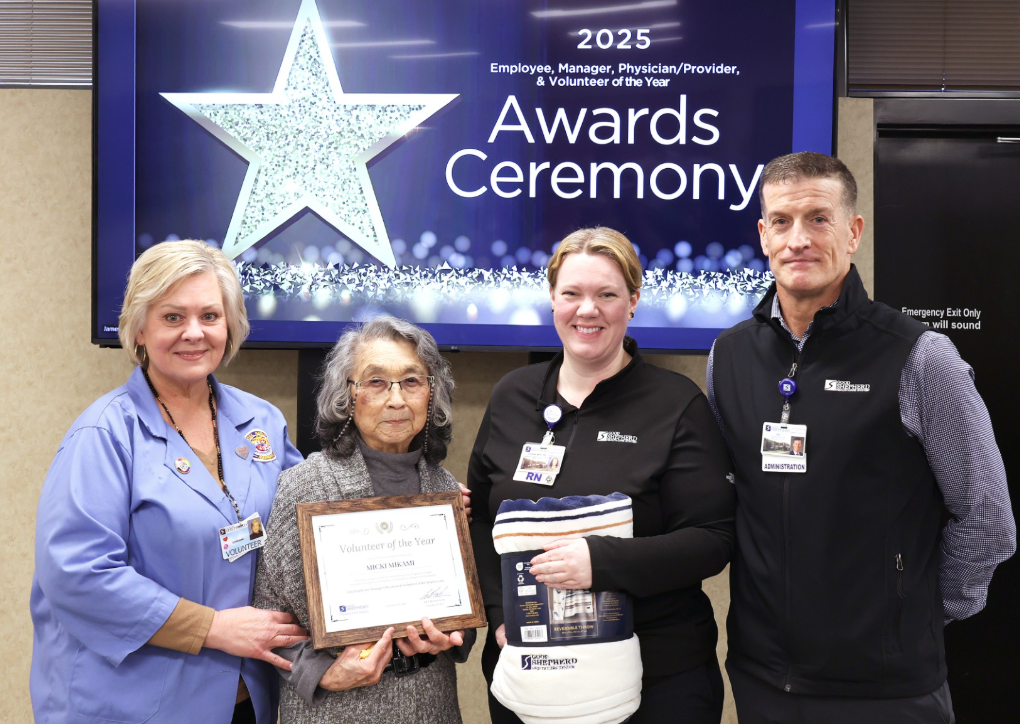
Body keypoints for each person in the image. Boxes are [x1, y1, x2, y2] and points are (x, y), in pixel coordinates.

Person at [708, 152, 1016, 723]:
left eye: (818, 219)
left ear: (852, 232)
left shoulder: (919, 357)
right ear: (763, 235)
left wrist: (912, 616)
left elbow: (987, 520)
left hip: (886, 688)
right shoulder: (728, 357)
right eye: (782, 221)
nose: (798, 239)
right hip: (763, 677)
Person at [31, 240, 306, 724]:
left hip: (244, 699)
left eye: (210, 316)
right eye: (173, 317)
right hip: (130, 706)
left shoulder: (262, 422)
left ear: (230, 324)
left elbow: (310, 530)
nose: (194, 333)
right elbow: (77, 574)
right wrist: (211, 627)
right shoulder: (104, 434)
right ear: (139, 328)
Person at [469, 227, 736, 724]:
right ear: (553, 298)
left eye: (607, 295)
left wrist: (601, 561)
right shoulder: (512, 395)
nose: (587, 310)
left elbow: (712, 540)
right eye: (572, 293)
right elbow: (482, 520)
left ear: (632, 301)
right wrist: (502, 614)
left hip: (657, 681)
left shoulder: (676, 404)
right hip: (529, 676)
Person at [252, 316, 475, 724]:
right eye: (376, 382)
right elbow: (269, 616)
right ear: (346, 396)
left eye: (411, 381)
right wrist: (322, 673)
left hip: (434, 704)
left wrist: (452, 635)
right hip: (337, 709)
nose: (396, 399)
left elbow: (463, 610)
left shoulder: (444, 489)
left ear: (431, 393)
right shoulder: (305, 485)